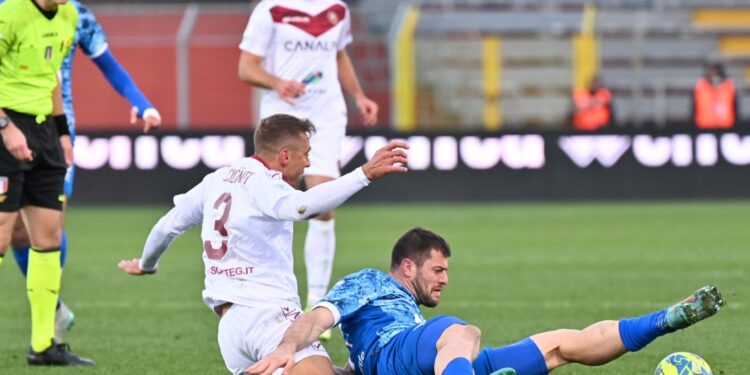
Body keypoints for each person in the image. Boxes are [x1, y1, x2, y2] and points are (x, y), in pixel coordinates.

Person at [117, 114, 408, 375]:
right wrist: (364, 174)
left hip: (231, 329)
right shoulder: (266, 184)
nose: (308, 163)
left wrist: (146, 264)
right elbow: (304, 207)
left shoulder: (216, 179)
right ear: (284, 155)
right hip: (270, 318)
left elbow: (167, 225)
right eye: (305, 154)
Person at [247, 228, 726, 375]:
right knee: (462, 332)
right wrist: (289, 350)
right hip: (406, 352)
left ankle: (668, 318)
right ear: (408, 267)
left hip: (422, 363)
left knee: (559, 345)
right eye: (438, 270)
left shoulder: (408, 310)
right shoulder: (370, 282)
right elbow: (318, 318)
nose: (445, 280)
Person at [1, 0, 162, 343]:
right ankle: (54, 308)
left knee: (49, 227)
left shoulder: (76, 15)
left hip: (56, 130)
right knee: (12, 233)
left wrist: (141, 102)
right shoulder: (8, 11)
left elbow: (108, 66)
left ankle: (49, 323)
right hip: (8, 123)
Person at [237, 0, 380, 332]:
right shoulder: (270, 9)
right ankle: (266, 297)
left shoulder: (337, 10)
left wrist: (359, 96)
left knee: (322, 206)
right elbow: (246, 67)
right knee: (273, 208)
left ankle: (317, 305)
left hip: (327, 115)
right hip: (281, 118)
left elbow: (339, 55)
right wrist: (276, 83)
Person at [0, 0, 93, 366]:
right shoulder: (9, 13)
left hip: (44, 134)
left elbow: (52, 77)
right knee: (4, 233)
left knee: (49, 236)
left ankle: (43, 346)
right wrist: (6, 129)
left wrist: (63, 134)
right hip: (6, 126)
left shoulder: (69, 15)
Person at [692, 62, 738, 129]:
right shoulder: (701, 85)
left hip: (725, 124)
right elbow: (694, 104)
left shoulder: (728, 85)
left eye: (716, 72)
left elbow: (735, 104)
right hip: (704, 124)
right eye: (712, 72)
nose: (714, 75)